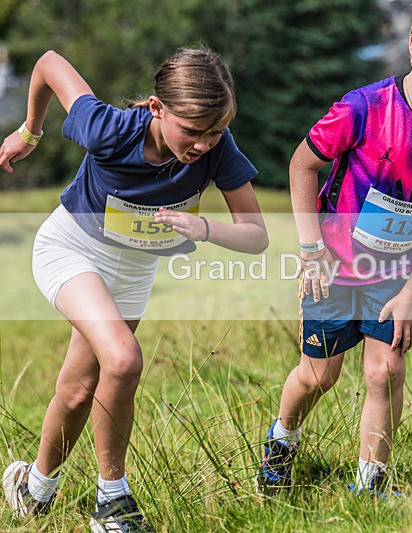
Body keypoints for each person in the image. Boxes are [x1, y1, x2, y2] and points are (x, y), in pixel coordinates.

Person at [0, 47, 268, 531]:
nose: (203, 144)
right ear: (156, 108)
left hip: (132, 272)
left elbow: (256, 235)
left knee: (81, 388)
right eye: (192, 130)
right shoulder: (108, 128)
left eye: (214, 132)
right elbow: (48, 62)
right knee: (123, 358)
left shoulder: (217, 149)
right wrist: (29, 132)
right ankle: (113, 504)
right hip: (72, 249)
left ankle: (33, 488)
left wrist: (202, 227)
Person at [256, 0, 412, 497]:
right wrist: (309, 249)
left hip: (395, 275)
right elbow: (302, 167)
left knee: (386, 372)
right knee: (318, 377)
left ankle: (370, 485)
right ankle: (282, 442)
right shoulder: (362, 107)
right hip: (335, 269)